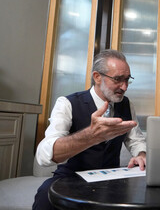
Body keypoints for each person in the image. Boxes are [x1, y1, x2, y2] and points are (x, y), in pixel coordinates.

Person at [33, 50, 146, 210]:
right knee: (45, 196)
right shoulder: (67, 103)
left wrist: (141, 155)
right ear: (97, 77)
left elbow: (136, 140)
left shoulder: (127, 104)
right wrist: (90, 136)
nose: (125, 87)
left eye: (127, 80)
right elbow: (43, 156)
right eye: (118, 79)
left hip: (111, 179)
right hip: (71, 178)